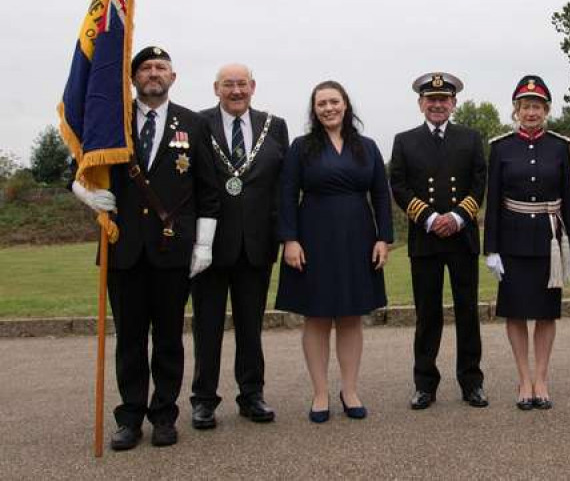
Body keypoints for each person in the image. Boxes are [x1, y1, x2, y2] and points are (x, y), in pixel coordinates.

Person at [72, 46, 220, 451]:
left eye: (161, 68)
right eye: (145, 68)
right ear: (133, 77)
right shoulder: (111, 121)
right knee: (130, 339)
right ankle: (130, 416)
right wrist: (84, 193)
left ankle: (164, 415)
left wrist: (204, 244)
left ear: (173, 77)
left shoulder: (194, 123)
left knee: (170, 338)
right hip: (124, 246)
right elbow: (81, 167)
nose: (153, 74)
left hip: (173, 249)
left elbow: (208, 189)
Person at [274, 81, 393, 422]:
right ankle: (320, 393)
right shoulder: (301, 147)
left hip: (358, 236)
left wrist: (383, 237)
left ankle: (350, 389)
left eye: (334, 101)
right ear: (314, 109)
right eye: (322, 103)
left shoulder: (366, 147)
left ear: (345, 105)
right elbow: (286, 195)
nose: (328, 108)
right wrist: (290, 239)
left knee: (352, 316)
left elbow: (381, 195)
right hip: (313, 238)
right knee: (317, 316)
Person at [189, 64, 289, 429]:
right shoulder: (198, 124)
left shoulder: (273, 125)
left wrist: (283, 232)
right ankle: (203, 400)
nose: (236, 91)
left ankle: (251, 395)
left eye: (242, 84)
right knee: (207, 325)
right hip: (209, 245)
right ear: (216, 88)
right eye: (228, 85)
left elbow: (282, 185)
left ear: (253, 87)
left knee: (251, 327)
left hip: (256, 245)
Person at [389, 72, 488, 410]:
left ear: (453, 103)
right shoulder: (404, 141)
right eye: (430, 100)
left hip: (462, 238)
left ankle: (472, 382)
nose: (437, 104)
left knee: (468, 313)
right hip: (426, 240)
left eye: (443, 99)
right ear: (420, 104)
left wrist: (459, 217)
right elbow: (399, 186)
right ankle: (425, 385)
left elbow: (479, 183)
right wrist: (430, 218)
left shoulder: (471, 138)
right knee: (427, 315)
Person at [484, 76, 570, 410]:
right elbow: (493, 200)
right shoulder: (501, 148)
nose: (531, 112)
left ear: (546, 110)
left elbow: (569, 198)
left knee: (544, 313)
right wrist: (492, 249)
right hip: (512, 241)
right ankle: (523, 378)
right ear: (516, 110)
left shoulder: (559, 146)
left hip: (549, 241)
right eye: (525, 106)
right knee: (515, 313)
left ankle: (542, 378)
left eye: (537, 106)